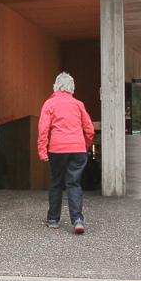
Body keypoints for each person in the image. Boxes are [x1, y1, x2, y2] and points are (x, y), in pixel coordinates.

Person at [38, 72, 95, 234]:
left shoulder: (49, 104)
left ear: (56, 86)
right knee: (74, 183)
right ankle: (77, 219)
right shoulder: (78, 104)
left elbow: (43, 129)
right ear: (72, 88)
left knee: (56, 182)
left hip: (57, 149)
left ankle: (53, 219)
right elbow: (89, 129)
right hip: (78, 148)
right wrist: (85, 146)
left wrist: (43, 151)